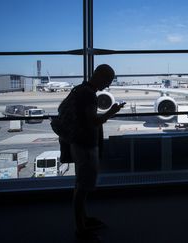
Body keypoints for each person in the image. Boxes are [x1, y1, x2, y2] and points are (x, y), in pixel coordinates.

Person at [67, 64, 124, 240]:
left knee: (80, 184)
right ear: (99, 76)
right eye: (107, 81)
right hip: (85, 145)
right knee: (83, 188)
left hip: (78, 142)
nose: (107, 86)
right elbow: (94, 121)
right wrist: (112, 112)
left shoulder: (80, 89)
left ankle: (83, 219)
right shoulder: (89, 94)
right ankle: (80, 228)